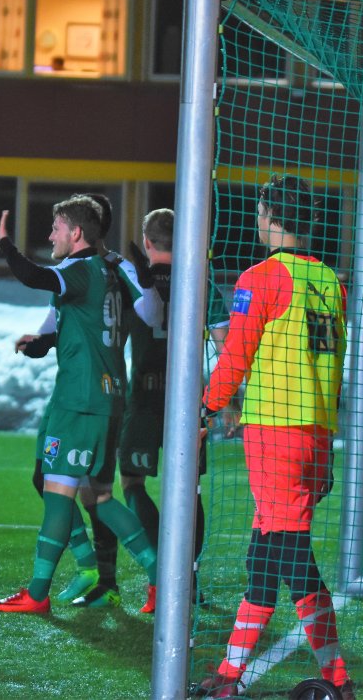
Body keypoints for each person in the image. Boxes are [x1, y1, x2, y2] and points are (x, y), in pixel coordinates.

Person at [198, 175, 355, 699]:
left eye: (260, 211)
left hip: (275, 434)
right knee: (264, 560)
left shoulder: (260, 277)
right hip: (314, 435)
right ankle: (229, 675)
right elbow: (334, 369)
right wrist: (326, 449)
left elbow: (235, 354)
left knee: (291, 558)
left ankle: (338, 681)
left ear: (268, 216)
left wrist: (205, 407)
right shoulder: (331, 280)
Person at [0, 195, 164, 614]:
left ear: (77, 232)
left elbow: (33, 276)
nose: (51, 236)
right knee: (99, 496)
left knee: (57, 491)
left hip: (79, 400)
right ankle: (161, 580)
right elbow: (92, 322)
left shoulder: (79, 269)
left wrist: (5, 245)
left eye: (56, 228)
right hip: (107, 397)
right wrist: (42, 343)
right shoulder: (110, 271)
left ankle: (38, 592)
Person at [115, 209, 231, 603]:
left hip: (144, 396)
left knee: (132, 482)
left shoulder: (131, 279)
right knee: (189, 490)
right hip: (188, 399)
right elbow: (225, 344)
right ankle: (187, 580)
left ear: (147, 242)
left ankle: (160, 571)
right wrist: (228, 399)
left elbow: (111, 337)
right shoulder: (199, 280)